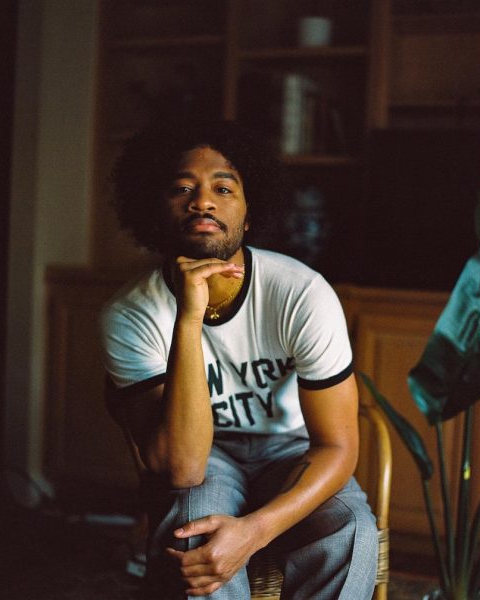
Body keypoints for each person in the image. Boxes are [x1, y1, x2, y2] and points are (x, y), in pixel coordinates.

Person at [100, 119, 378, 599]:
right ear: (155, 213)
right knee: (193, 535)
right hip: (209, 452)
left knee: (350, 530)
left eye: (223, 188)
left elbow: (337, 445)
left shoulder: (301, 293)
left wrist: (255, 531)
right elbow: (184, 468)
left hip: (292, 448)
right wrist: (189, 317)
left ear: (250, 216)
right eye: (182, 188)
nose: (202, 201)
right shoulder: (131, 314)